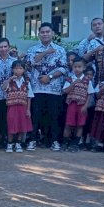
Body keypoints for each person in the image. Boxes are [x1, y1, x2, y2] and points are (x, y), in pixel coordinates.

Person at [26, 22, 67, 151]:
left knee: (54, 116)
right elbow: (30, 63)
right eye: (42, 32)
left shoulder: (60, 50)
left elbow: (64, 68)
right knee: (35, 115)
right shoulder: (32, 49)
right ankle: (32, 139)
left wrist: (49, 77)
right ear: (39, 34)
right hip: (36, 88)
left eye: (47, 32)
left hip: (53, 89)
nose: (45, 34)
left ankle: (54, 140)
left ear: (53, 34)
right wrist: (46, 52)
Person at [61, 59, 96, 152]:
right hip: (72, 104)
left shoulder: (87, 80)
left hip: (82, 105)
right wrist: (73, 83)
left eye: (79, 67)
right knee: (68, 124)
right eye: (75, 67)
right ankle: (65, 143)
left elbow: (90, 94)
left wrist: (86, 106)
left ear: (84, 68)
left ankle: (75, 144)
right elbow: (65, 91)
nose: (77, 69)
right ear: (72, 67)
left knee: (80, 125)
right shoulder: (70, 78)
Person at [3, 60, 33, 153]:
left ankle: (18, 142)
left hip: (23, 107)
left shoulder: (27, 82)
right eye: (16, 68)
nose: (18, 71)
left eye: (20, 68)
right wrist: (10, 79)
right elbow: (3, 88)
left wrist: (28, 109)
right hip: (12, 107)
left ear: (24, 70)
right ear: (12, 69)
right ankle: (10, 143)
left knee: (21, 125)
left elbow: (29, 96)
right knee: (11, 124)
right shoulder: (10, 81)